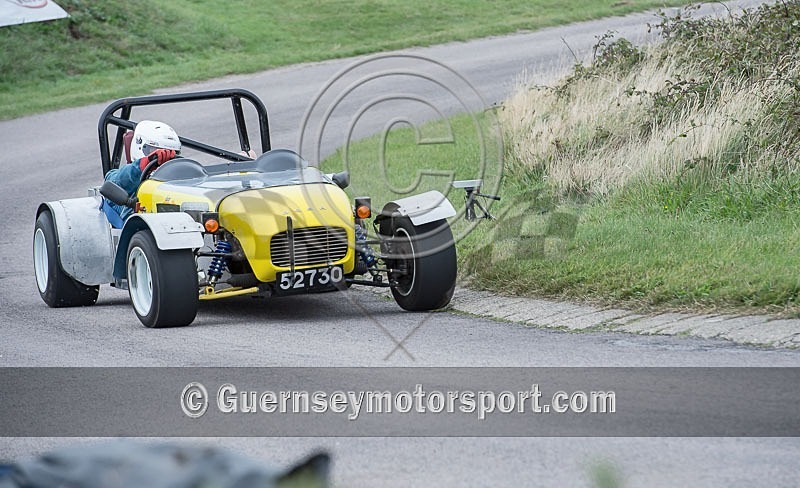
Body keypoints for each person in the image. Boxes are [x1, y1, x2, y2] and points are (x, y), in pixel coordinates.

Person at [104, 120, 181, 220]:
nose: (164, 158)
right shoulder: (126, 175)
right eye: (156, 151)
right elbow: (112, 180)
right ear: (139, 147)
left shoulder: (177, 179)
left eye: (170, 154)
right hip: (139, 225)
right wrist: (145, 163)